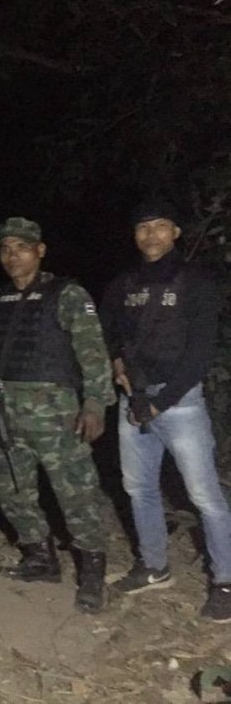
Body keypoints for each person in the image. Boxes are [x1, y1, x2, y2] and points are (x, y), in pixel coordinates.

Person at [100, 199, 231, 622]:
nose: (150, 234)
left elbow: (200, 352)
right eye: (143, 227)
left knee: (204, 496)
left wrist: (161, 402)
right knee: (139, 489)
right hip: (134, 400)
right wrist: (119, 367)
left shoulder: (197, 281)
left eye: (160, 226)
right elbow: (110, 332)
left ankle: (225, 582)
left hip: (180, 403)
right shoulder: (123, 284)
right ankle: (155, 567)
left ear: (175, 232)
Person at [0, 217, 115, 614]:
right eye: (6, 249)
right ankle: (41, 558)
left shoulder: (68, 295)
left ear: (40, 251)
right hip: (8, 412)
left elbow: (94, 354)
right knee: (12, 491)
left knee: (77, 495)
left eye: (21, 247)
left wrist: (95, 405)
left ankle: (92, 574)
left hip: (57, 414)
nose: (12, 256)